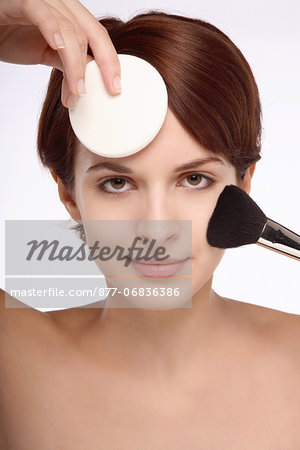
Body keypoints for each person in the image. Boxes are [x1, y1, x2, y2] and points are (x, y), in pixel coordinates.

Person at [1, 1, 300, 448]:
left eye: (194, 179)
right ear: (70, 195)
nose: (158, 230)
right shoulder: (12, 359)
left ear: (243, 186)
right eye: (118, 183)